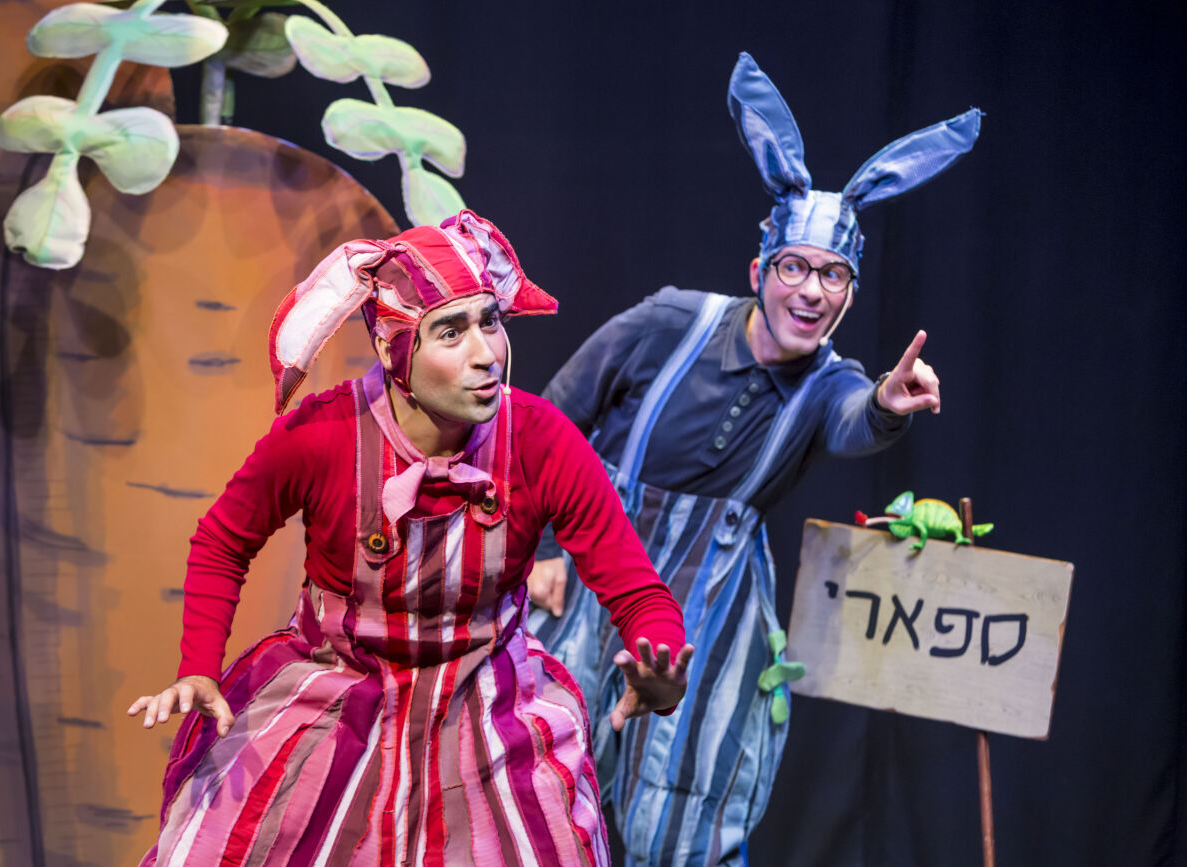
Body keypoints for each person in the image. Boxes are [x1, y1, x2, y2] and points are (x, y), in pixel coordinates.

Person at [126, 210, 694, 867]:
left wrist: (662, 662)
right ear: (393, 350)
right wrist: (200, 665)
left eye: (490, 321)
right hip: (339, 696)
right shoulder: (323, 434)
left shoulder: (539, 438)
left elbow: (634, 588)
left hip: (488, 704)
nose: (486, 353)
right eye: (451, 332)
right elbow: (223, 539)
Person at [526, 53, 982, 866]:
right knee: (540, 778)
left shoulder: (831, 382)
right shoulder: (671, 323)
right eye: (795, 267)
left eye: (833, 275)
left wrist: (888, 402)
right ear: (760, 270)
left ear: (849, 292)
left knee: (691, 792)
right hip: (588, 574)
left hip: (709, 603)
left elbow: (855, 421)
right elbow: (551, 421)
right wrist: (545, 548)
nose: (811, 290)